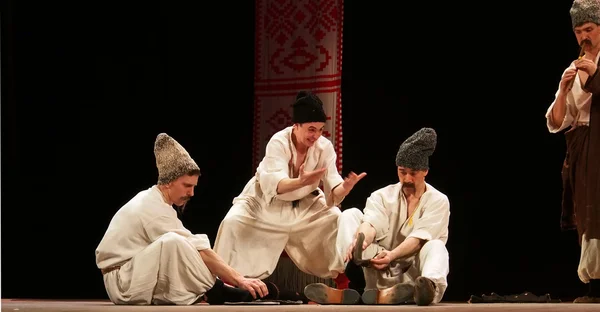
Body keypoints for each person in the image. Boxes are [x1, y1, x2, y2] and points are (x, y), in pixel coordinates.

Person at [213, 91, 367, 290]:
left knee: (334, 220)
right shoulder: (278, 142)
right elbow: (277, 185)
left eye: (320, 130)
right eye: (311, 129)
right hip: (263, 203)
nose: (316, 135)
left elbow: (333, 189)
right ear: (296, 126)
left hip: (305, 204)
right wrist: (301, 181)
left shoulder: (324, 147)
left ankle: (344, 282)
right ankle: (225, 285)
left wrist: (344, 188)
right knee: (233, 223)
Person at [95, 133, 271, 305]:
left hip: (135, 273)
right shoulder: (151, 207)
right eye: (187, 186)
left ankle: (212, 290)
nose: (191, 193)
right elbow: (199, 250)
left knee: (182, 244)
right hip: (122, 283)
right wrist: (238, 279)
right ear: (168, 182)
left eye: (194, 187)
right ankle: (216, 290)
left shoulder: (158, 202)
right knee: (173, 242)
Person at [304, 127, 450, 306]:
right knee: (351, 215)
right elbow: (372, 222)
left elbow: (419, 239)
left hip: (412, 273)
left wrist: (392, 255)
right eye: (402, 171)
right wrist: (361, 241)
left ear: (425, 171)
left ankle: (428, 289)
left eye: (413, 173)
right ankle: (350, 282)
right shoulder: (382, 195)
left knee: (436, 246)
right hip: (378, 267)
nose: (407, 178)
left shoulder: (438, 200)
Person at [545, 0, 600, 303]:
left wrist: (595, 75)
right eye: (579, 32)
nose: (584, 37)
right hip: (582, 150)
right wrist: (565, 92)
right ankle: (594, 285)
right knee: (587, 214)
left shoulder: (595, 66)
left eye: (589, 29)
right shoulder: (572, 67)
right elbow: (556, 121)